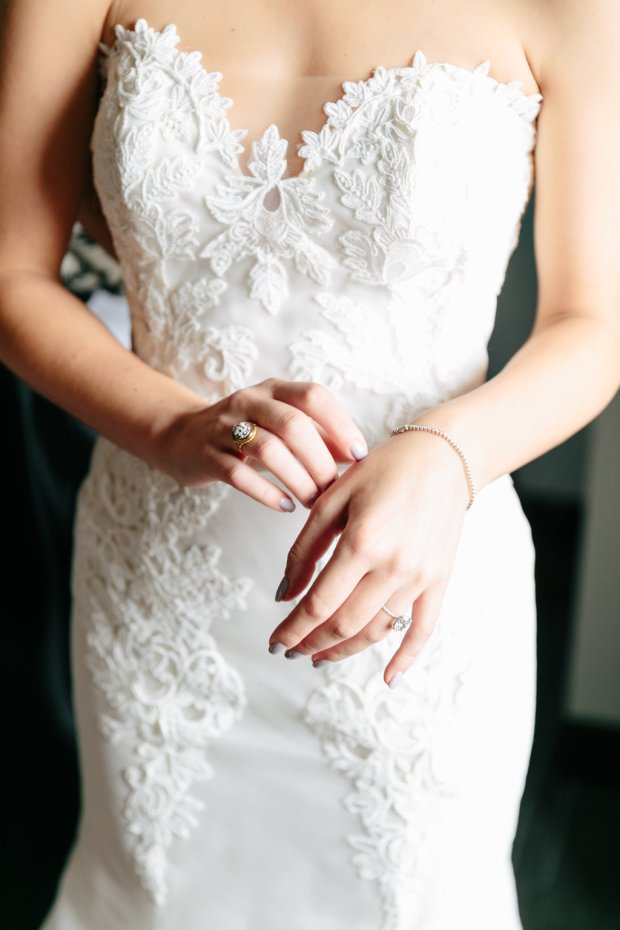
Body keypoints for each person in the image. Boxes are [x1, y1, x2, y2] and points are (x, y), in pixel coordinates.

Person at [1, 0, 619, 927]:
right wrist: (170, 426)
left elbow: (592, 325)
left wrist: (450, 457)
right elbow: (12, 273)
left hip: (414, 589)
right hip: (164, 588)